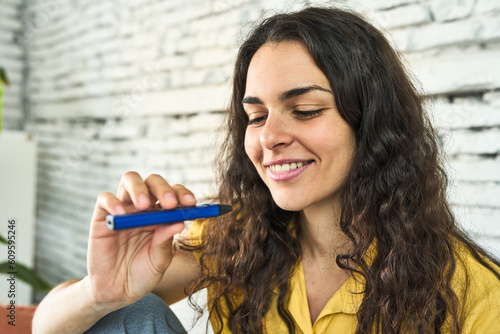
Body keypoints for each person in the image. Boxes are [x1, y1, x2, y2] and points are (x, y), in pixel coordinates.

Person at [33, 6, 500, 334]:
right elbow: (44, 326)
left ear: (373, 124)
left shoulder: (474, 292)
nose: (267, 137)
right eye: (256, 116)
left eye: (306, 110)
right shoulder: (238, 242)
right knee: (126, 315)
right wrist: (101, 292)